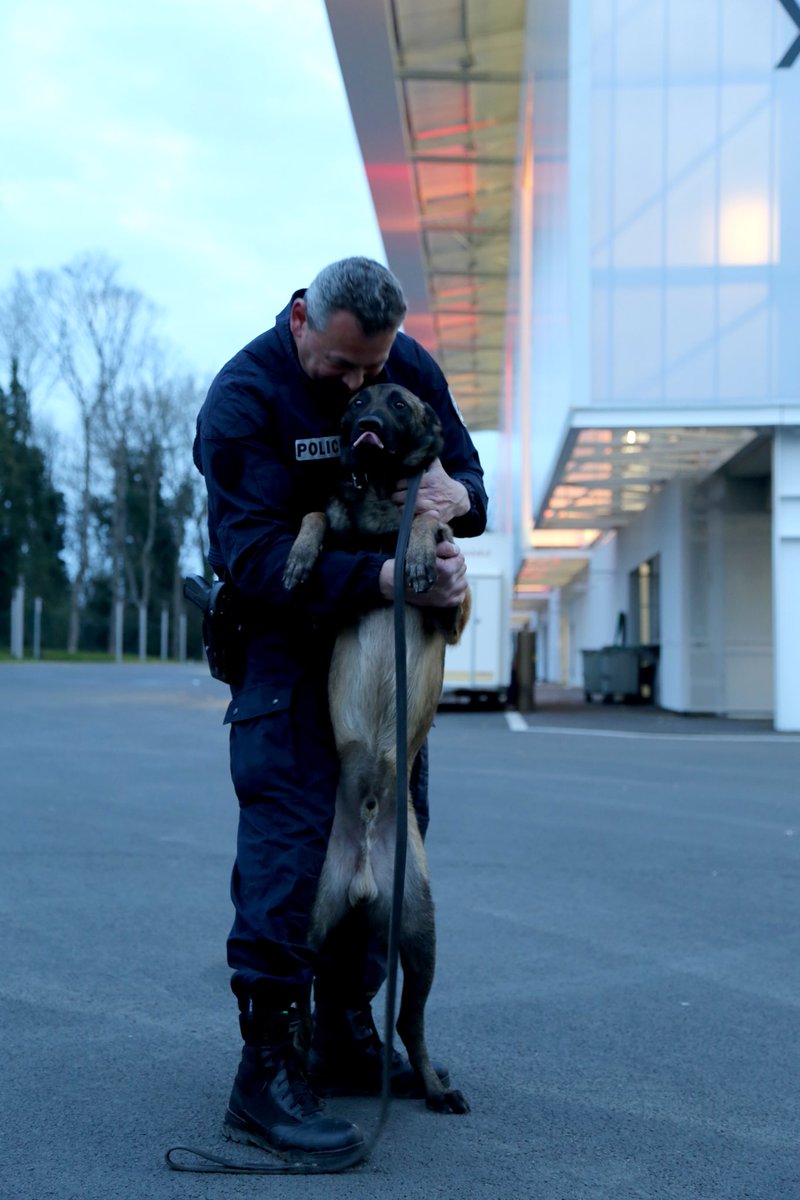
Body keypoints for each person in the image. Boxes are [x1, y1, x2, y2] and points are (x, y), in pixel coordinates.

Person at [193, 256, 487, 1164]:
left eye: (378, 367)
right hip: (288, 643)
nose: (363, 384)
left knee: (388, 855)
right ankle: (264, 1072)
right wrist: (386, 576)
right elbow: (252, 557)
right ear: (301, 323)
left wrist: (457, 508)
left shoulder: (407, 366)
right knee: (292, 849)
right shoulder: (244, 397)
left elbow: (469, 481)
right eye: (344, 368)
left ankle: (347, 1033)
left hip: (388, 660)